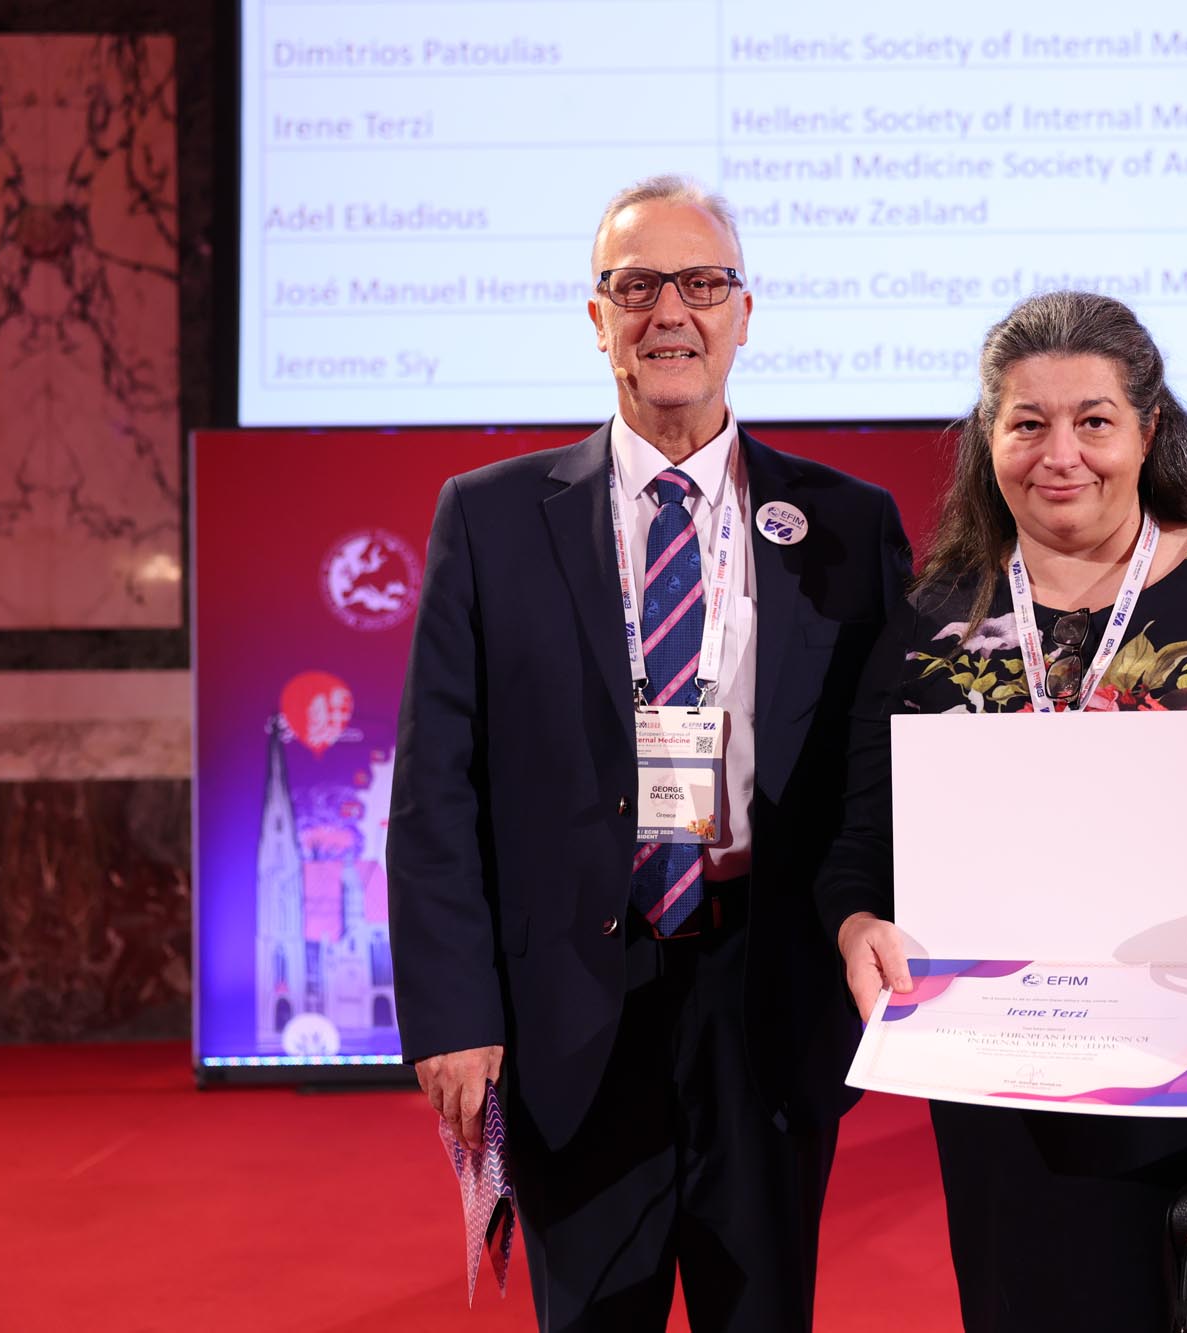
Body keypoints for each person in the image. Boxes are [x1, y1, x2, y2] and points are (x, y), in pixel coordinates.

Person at [817, 290, 1187, 1330]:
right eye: (1027, 423)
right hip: (1012, 1078)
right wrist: (856, 920)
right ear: (987, 439)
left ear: (1147, 429)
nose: (1061, 454)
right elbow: (864, 836)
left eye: (1093, 420)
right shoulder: (929, 618)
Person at [387, 175, 910, 1332]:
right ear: (597, 318)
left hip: (768, 995)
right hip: (571, 1009)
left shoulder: (848, 524)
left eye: (701, 283)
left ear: (743, 314)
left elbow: (881, 771)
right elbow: (434, 790)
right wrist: (450, 1010)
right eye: (636, 287)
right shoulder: (489, 518)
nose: (669, 311)